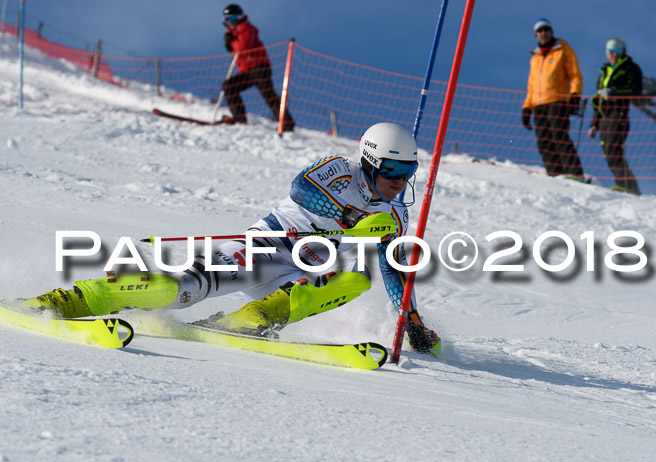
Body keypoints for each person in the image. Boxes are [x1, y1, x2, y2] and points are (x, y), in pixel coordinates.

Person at [22, 122, 441, 356]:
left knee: (354, 279)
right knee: (180, 289)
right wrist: (349, 216)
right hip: (266, 247)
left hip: (299, 275)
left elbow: (391, 264)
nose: (398, 183)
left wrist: (412, 318)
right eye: (390, 172)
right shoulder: (339, 168)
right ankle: (71, 299)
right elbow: (301, 189)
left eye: (407, 175)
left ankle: (254, 319)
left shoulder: (397, 213)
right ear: (369, 162)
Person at [521, 18, 585, 178]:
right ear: (536, 35)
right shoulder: (535, 58)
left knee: (559, 136)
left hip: (558, 101)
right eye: (540, 31)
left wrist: (575, 95)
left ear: (551, 32)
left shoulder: (563, 50)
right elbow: (531, 86)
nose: (543, 33)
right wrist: (527, 108)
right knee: (544, 142)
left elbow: (575, 75)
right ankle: (555, 175)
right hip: (539, 105)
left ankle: (576, 174)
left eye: (546, 30)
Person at [220, 4, 295, 131]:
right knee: (229, 86)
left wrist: (231, 42)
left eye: (232, 19)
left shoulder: (247, 28)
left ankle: (286, 122)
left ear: (239, 18)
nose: (230, 23)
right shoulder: (233, 33)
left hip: (259, 68)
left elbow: (243, 48)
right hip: (247, 71)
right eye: (227, 20)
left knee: (268, 94)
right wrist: (230, 41)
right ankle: (239, 118)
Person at [587, 38, 643, 195]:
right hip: (605, 116)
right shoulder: (604, 73)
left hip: (619, 114)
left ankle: (625, 185)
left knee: (613, 149)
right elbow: (598, 101)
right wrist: (594, 124)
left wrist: (614, 93)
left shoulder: (630, 68)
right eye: (611, 51)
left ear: (623, 52)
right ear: (606, 53)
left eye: (618, 51)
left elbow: (635, 90)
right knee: (608, 151)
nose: (614, 55)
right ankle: (631, 188)